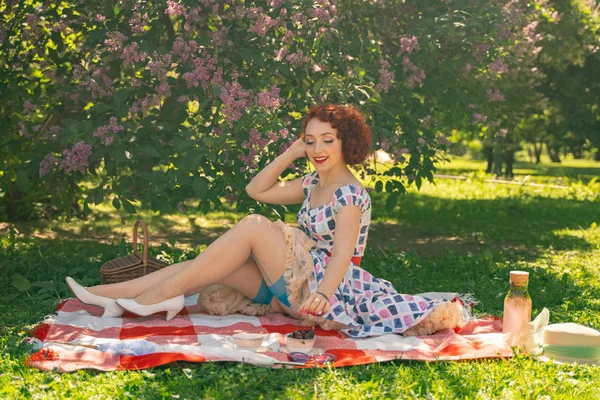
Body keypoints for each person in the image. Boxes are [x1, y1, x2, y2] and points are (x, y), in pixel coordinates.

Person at [66, 104, 462, 337]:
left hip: (323, 289)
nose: (317, 148)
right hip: (289, 279)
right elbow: (258, 189)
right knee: (204, 266)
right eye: (311, 140)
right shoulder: (311, 182)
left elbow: (342, 254)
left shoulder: (351, 195)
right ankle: (110, 296)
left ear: (347, 143)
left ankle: (147, 302)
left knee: (255, 226)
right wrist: (292, 152)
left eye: (327, 140)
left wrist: (322, 295)